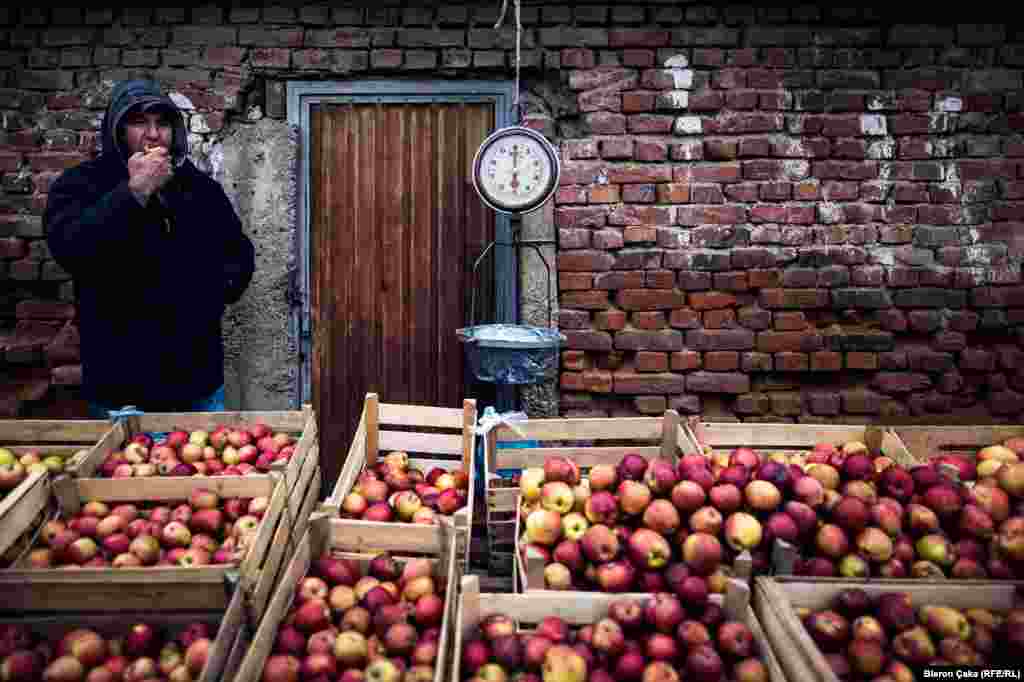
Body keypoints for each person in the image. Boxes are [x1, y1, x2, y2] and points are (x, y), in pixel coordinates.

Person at [45, 79, 255, 418]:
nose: (153, 134)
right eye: (139, 122)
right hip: (122, 390)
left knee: (205, 469)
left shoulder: (200, 189)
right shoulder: (81, 185)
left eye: (163, 122)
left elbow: (239, 255)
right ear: (117, 129)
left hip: (197, 385)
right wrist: (135, 192)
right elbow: (72, 248)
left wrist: (208, 296)